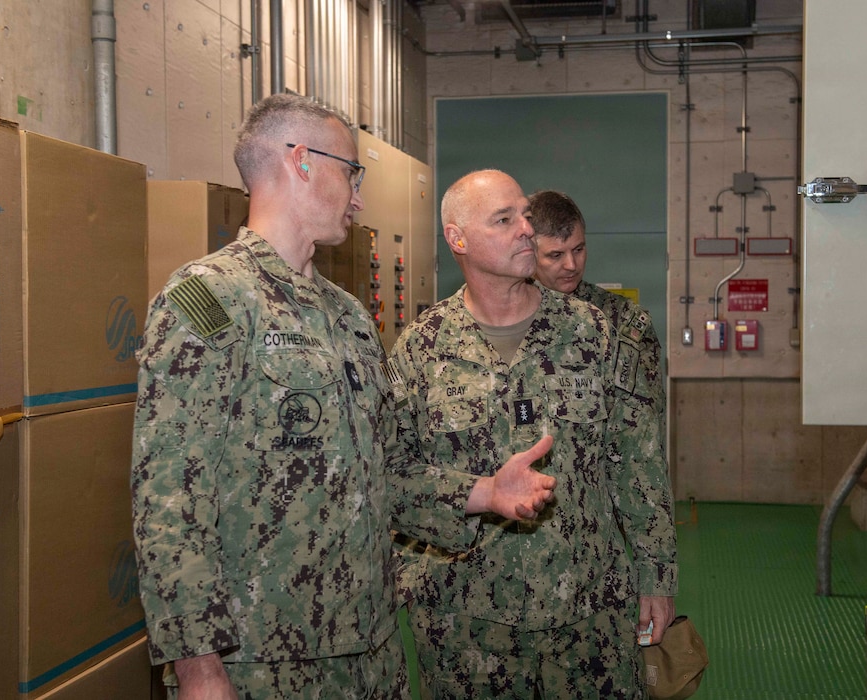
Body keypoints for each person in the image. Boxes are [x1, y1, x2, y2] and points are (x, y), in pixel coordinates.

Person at [131, 96, 556, 700]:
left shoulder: (348, 316)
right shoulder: (208, 302)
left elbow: (379, 474)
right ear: (301, 161)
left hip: (371, 651)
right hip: (261, 661)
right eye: (352, 173)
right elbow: (170, 502)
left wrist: (486, 491)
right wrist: (199, 668)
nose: (359, 197)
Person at [387, 170, 678, 699]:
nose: (525, 228)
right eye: (504, 219)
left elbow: (639, 462)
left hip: (590, 613)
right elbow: (393, 478)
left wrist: (657, 576)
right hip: (466, 623)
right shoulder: (421, 349)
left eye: (524, 214)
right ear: (457, 239)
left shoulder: (593, 331)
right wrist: (479, 494)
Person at [528, 188, 666, 423]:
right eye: (556, 255)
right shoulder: (507, 316)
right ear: (528, 252)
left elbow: (641, 423)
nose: (571, 264)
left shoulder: (621, 320)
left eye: (578, 250)